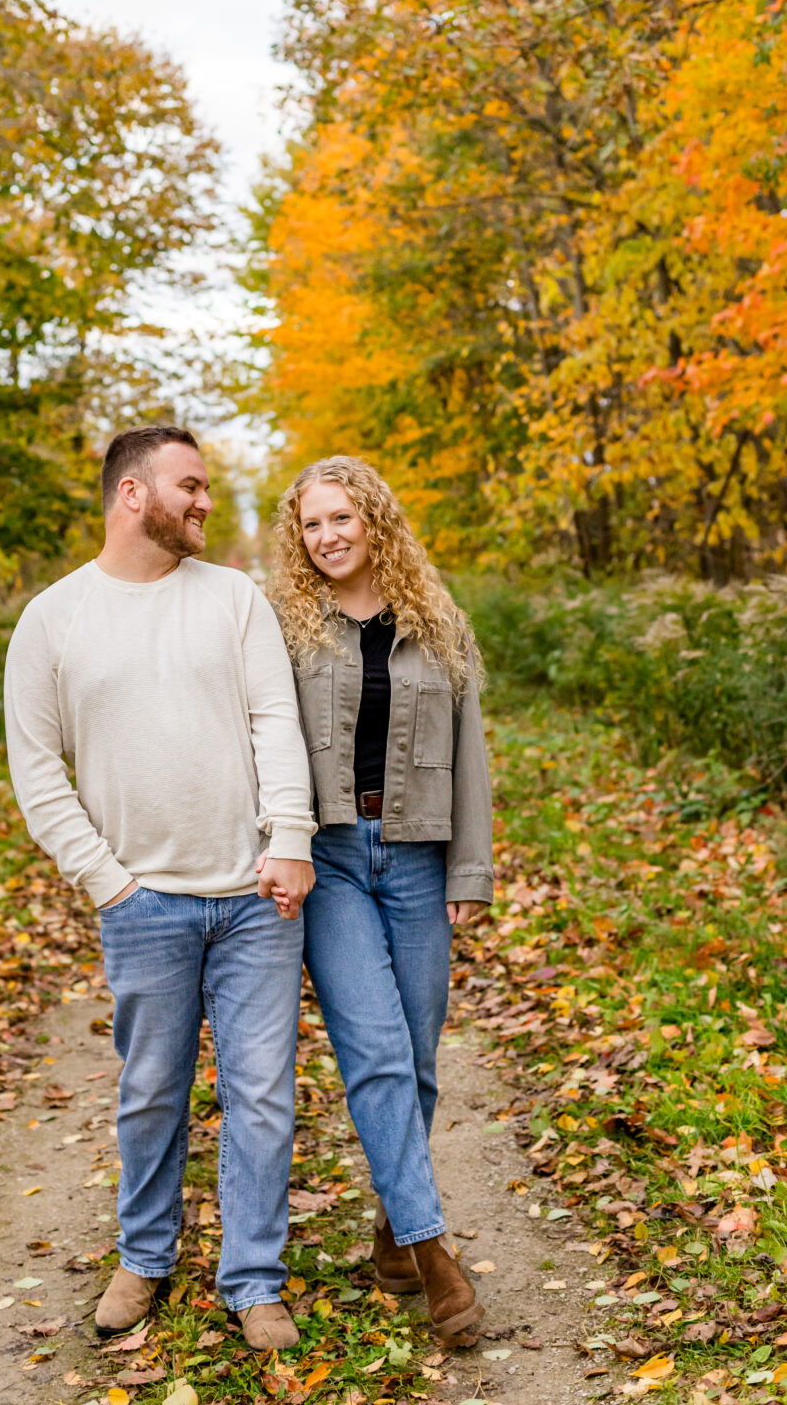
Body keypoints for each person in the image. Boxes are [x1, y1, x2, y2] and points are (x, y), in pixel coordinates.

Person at [3, 424, 316, 1350]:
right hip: (144, 905)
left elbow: (274, 721)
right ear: (132, 495)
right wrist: (108, 883)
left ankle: (254, 1279)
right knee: (150, 1091)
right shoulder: (52, 619)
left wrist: (290, 838)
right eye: (188, 485)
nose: (203, 502)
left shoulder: (234, 598)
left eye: (206, 487)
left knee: (262, 1094)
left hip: (258, 899)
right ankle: (144, 1258)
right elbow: (36, 769)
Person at [266, 455, 493, 1347]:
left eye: (340, 519)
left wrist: (469, 872)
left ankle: (394, 1232)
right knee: (376, 1055)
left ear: (375, 523)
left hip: (416, 857)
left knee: (421, 1056)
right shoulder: (284, 629)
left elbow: (470, 753)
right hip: (328, 860)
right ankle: (435, 1254)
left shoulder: (437, 624)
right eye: (311, 524)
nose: (326, 537)